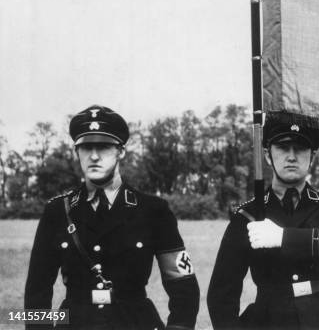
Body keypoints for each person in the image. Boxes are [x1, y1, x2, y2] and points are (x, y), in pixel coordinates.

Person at [24, 105, 200, 330]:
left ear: (121, 151)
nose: (94, 156)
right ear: (77, 151)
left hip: (136, 322)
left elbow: (183, 286)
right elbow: (36, 291)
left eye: (104, 147)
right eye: (86, 147)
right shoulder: (57, 211)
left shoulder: (153, 210)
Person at [207, 119, 319, 330]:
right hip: (271, 320)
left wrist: (282, 237)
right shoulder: (247, 215)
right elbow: (222, 294)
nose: (291, 156)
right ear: (267, 155)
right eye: (282, 147)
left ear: (312, 156)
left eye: (300, 148)